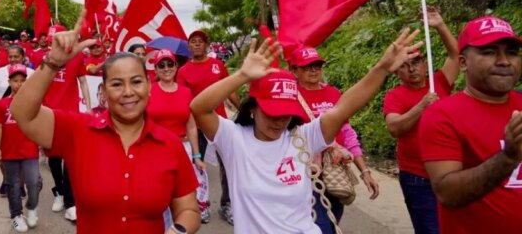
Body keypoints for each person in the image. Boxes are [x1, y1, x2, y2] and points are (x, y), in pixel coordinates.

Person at [191, 30, 421, 233]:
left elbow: (344, 107)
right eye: (272, 112)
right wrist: (242, 76)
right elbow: (199, 108)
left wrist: (381, 68)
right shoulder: (233, 139)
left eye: (286, 113)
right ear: (252, 108)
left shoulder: (302, 137)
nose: (280, 121)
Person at [10, 14, 201, 233]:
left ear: (149, 86)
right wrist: (53, 63)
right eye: (117, 84)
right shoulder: (78, 130)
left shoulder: (170, 144)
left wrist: (177, 231)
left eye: (136, 82)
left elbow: (189, 210)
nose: (128, 92)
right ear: (103, 91)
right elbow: (22, 113)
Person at [420, 16, 522, 233]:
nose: (504, 61)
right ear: (463, 63)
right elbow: (447, 193)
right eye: (489, 52)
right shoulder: (441, 116)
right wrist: (508, 157)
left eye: (512, 52)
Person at [383, 7, 458, 233]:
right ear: (397, 72)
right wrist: (422, 106)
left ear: (424, 63)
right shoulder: (394, 96)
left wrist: (440, 26)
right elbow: (394, 127)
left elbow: (456, 56)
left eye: (416, 62)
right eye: (404, 65)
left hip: (451, 172)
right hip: (417, 178)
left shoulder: (440, 82)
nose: (412, 69)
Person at [290, 46, 380, 233]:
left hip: (335, 172)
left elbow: (348, 134)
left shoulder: (333, 94)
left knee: (333, 220)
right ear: (294, 70)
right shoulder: (289, 97)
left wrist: (364, 172)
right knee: (321, 227)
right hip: (306, 173)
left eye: (317, 65)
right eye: (307, 66)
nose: (314, 70)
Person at [177, 29, 238, 225]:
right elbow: (182, 101)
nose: (196, 44)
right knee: (197, 168)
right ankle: (199, 206)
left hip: (221, 126)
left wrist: (245, 110)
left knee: (228, 166)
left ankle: (226, 204)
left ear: (206, 45)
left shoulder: (217, 65)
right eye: (193, 41)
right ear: (189, 46)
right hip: (198, 127)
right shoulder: (184, 71)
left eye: (200, 41)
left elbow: (230, 90)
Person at [29, 24, 89, 221]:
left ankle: (71, 202)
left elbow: (83, 81)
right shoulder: (42, 57)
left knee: (70, 157)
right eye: (52, 38)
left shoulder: (78, 56)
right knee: (53, 156)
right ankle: (60, 193)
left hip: (70, 112)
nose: (55, 42)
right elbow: (37, 82)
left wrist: (88, 107)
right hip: (48, 113)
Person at [147, 49, 211, 224]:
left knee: (182, 194)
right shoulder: (148, 91)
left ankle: (179, 225)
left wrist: (196, 156)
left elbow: (190, 126)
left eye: (170, 64)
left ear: (176, 66)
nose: (166, 68)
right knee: (159, 193)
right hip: (156, 148)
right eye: (162, 65)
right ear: (156, 69)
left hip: (182, 148)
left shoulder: (185, 92)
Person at [0, 64, 40, 232]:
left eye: (22, 80)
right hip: (9, 151)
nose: (19, 84)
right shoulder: (2, 104)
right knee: (13, 184)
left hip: (30, 149)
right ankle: (16, 215)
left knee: (34, 182)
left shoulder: (34, 102)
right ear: (9, 82)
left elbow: (41, 123)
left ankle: (32, 207)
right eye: (15, 80)